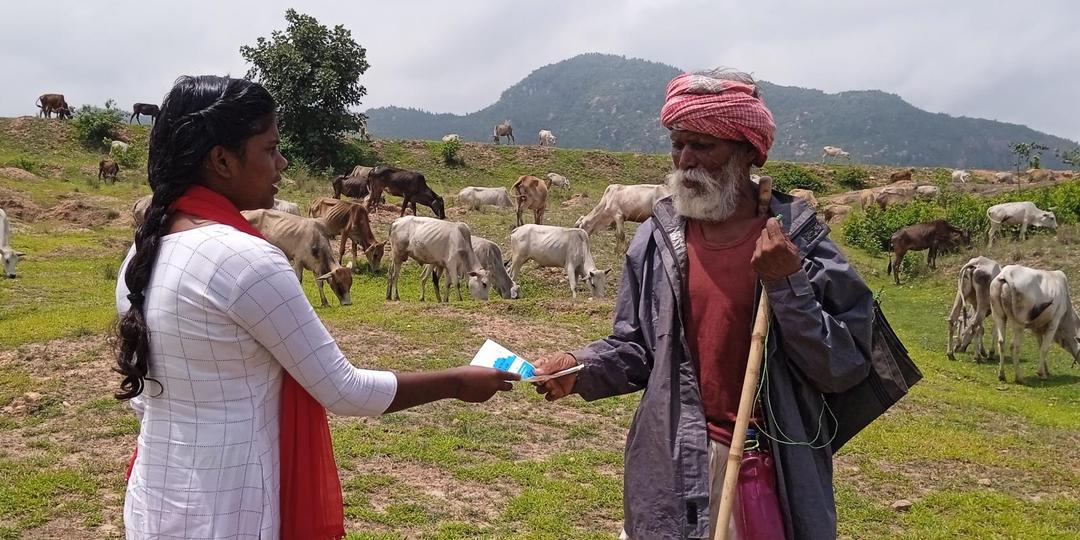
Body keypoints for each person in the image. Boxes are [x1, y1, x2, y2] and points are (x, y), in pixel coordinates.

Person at [113, 75, 518, 540]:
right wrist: (458, 381)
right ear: (222, 161)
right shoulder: (245, 259)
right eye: (270, 150)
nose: (282, 164)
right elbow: (342, 388)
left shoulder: (143, 253)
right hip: (229, 508)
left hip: (155, 500)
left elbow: (146, 399)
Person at [533, 69, 874, 539]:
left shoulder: (798, 240)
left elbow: (845, 365)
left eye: (704, 146)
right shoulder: (657, 238)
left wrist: (788, 284)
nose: (685, 160)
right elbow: (637, 348)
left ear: (749, 152)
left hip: (769, 466)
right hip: (673, 459)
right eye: (678, 144)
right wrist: (581, 366)